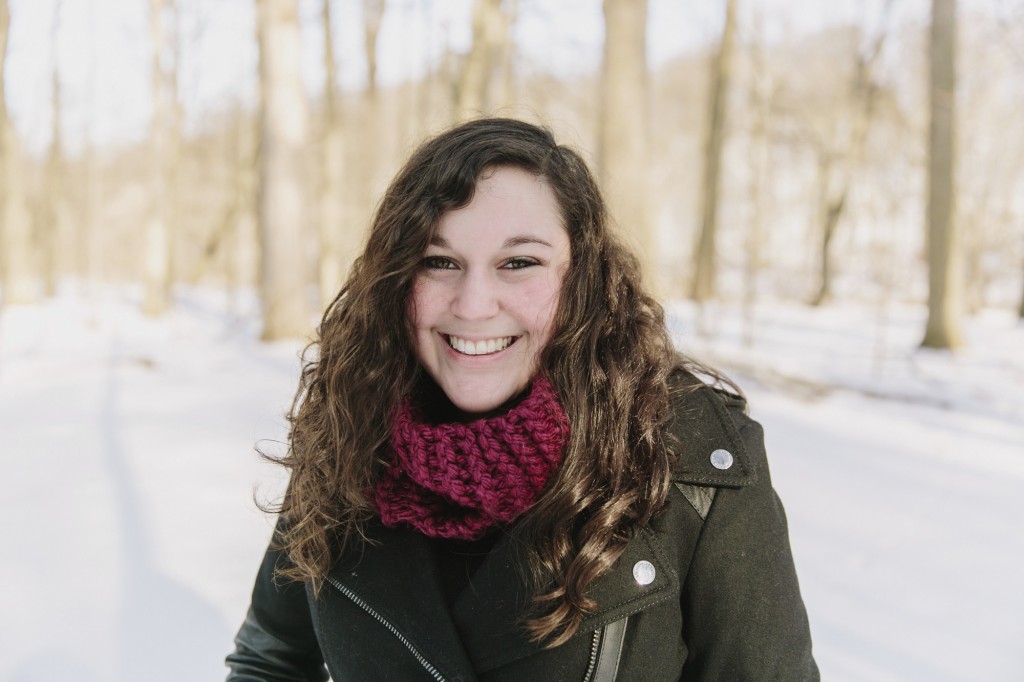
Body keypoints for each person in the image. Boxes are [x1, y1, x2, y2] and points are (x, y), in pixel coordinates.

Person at [226, 117, 818, 681]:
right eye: (439, 262)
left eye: (519, 262)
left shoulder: (691, 458)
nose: (475, 302)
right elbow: (272, 658)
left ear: (581, 278)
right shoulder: (349, 433)